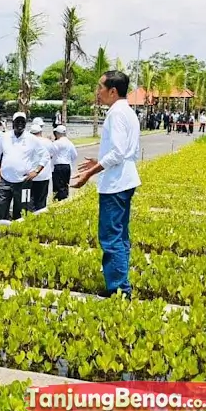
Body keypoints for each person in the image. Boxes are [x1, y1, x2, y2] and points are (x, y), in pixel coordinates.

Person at [71, 71, 141, 299]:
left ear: (112, 91)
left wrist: (90, 172)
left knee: (111, 238)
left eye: (100, 87)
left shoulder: (116, 114)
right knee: (119, 237)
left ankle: (119, 290)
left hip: (116, 184)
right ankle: (120, 286)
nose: (97, 92)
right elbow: (120, 151)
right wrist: (98, 161)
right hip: (124, 180)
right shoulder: (127, 112)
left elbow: (118, 153)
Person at [0, 112, 50, 221]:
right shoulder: (5, 137)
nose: (20, 124)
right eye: (17, 121)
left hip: (24, 182)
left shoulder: (31, 138)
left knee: (22, 212)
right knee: (1, 210)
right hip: (4, 180)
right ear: (13, 123)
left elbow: (45, 155)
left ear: (25, 123)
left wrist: (36, 171)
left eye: (22, 121)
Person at [28, 123, 54, 212]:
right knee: (41, 200)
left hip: (30, 175)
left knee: (29, 199)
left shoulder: (27, 141)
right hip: (44, 174)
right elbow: (51, 155)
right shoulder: (47, 141)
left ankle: (29, 218)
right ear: (41, 132)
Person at [51, 125, 77, 202]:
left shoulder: (56, 143)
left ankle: (57, 201)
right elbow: (75, 155)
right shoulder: (70, 143)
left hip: (58, 166)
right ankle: (64, 200)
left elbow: (51, 153)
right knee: (65, 185)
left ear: (58, 133)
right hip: (67, 166)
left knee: (57, 186)